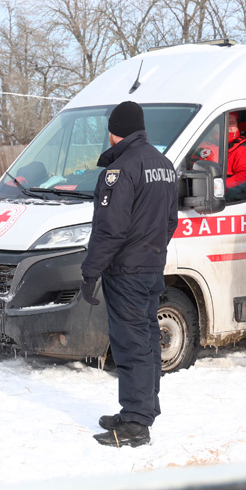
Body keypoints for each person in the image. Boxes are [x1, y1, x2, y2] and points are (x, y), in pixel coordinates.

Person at [79, 101, 179, 448]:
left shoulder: (120, 169)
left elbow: (110, 229)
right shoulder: (164, 165)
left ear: (113, 131)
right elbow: (170, 222)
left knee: (131, 342)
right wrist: (151, 251)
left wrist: (91, 272)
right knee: (147, 338)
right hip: (151, 266)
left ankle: (137, 422)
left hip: (126, 270)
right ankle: (143, 407)